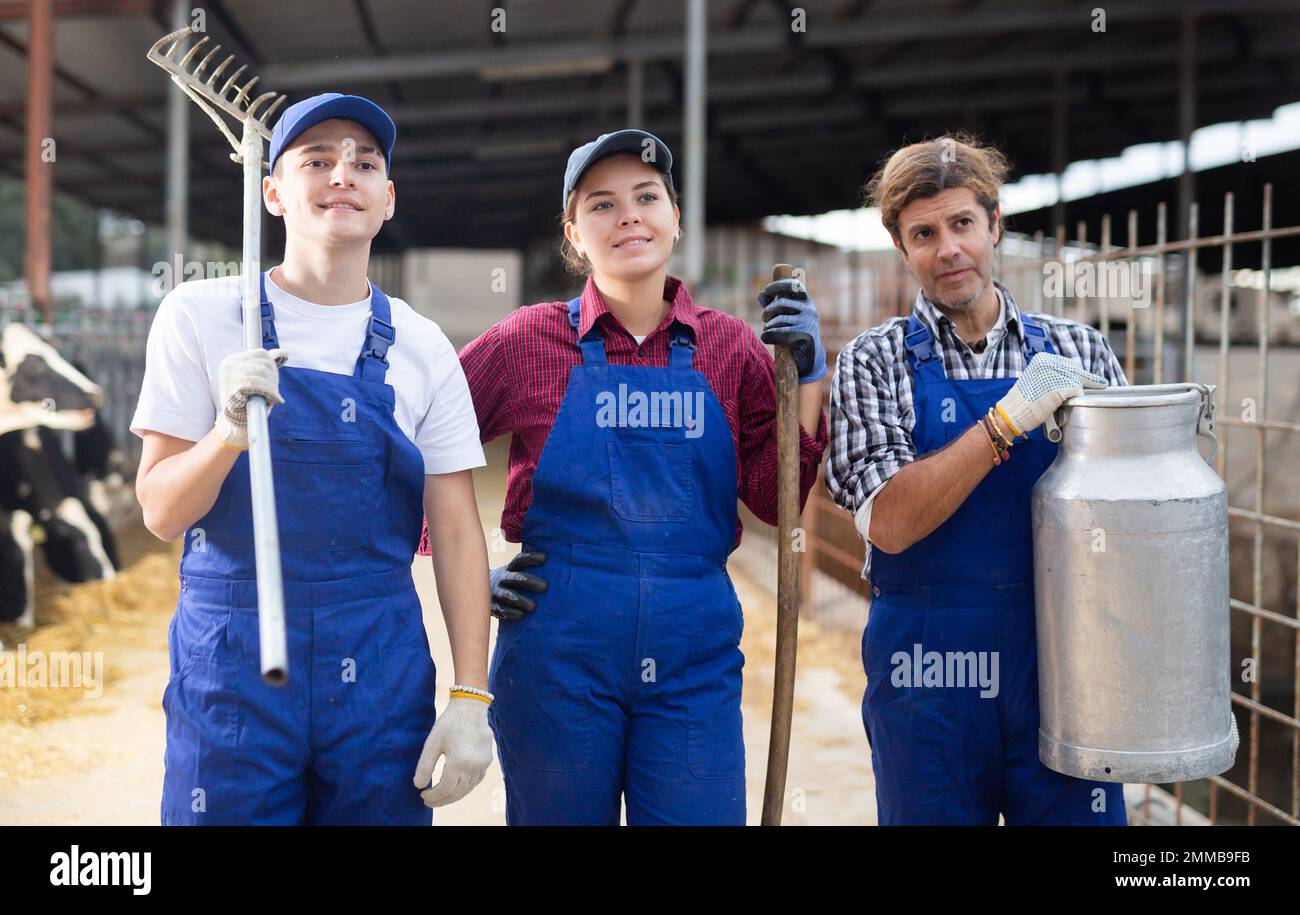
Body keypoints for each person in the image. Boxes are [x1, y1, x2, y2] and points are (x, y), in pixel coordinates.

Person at [418, 128, 828, 825]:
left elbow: (774, 497)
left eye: (646, 197)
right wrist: (469, 574)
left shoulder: (729, 348)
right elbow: (418, 444)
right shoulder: (526, 341)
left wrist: (809, 377)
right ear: (575, 236)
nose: (629, 215)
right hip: (556, 658)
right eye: (601, 205)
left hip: (693, 660)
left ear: (674, 218)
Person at [132, 93, 494, 825]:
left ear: (387, 199)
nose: (342, 175)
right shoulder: (201, 318)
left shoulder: (423, 349)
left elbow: (457, 534)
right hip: (232, 661)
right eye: (317, 160)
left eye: (364, 163)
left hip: (377, 667)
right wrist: (226, 433)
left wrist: (470, 696)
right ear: (272, 191)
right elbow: (162, 513)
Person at [825, 134, 1129, 825]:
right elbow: (892, 523)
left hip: (1066, 662)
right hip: (927, 675)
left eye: (963, 223)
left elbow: (1131, 521)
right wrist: (1007, 421)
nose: (948, 249)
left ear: (995, 223)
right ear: (902, 250)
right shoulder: (874, 364)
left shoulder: (1081, 349)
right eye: (923, 234)